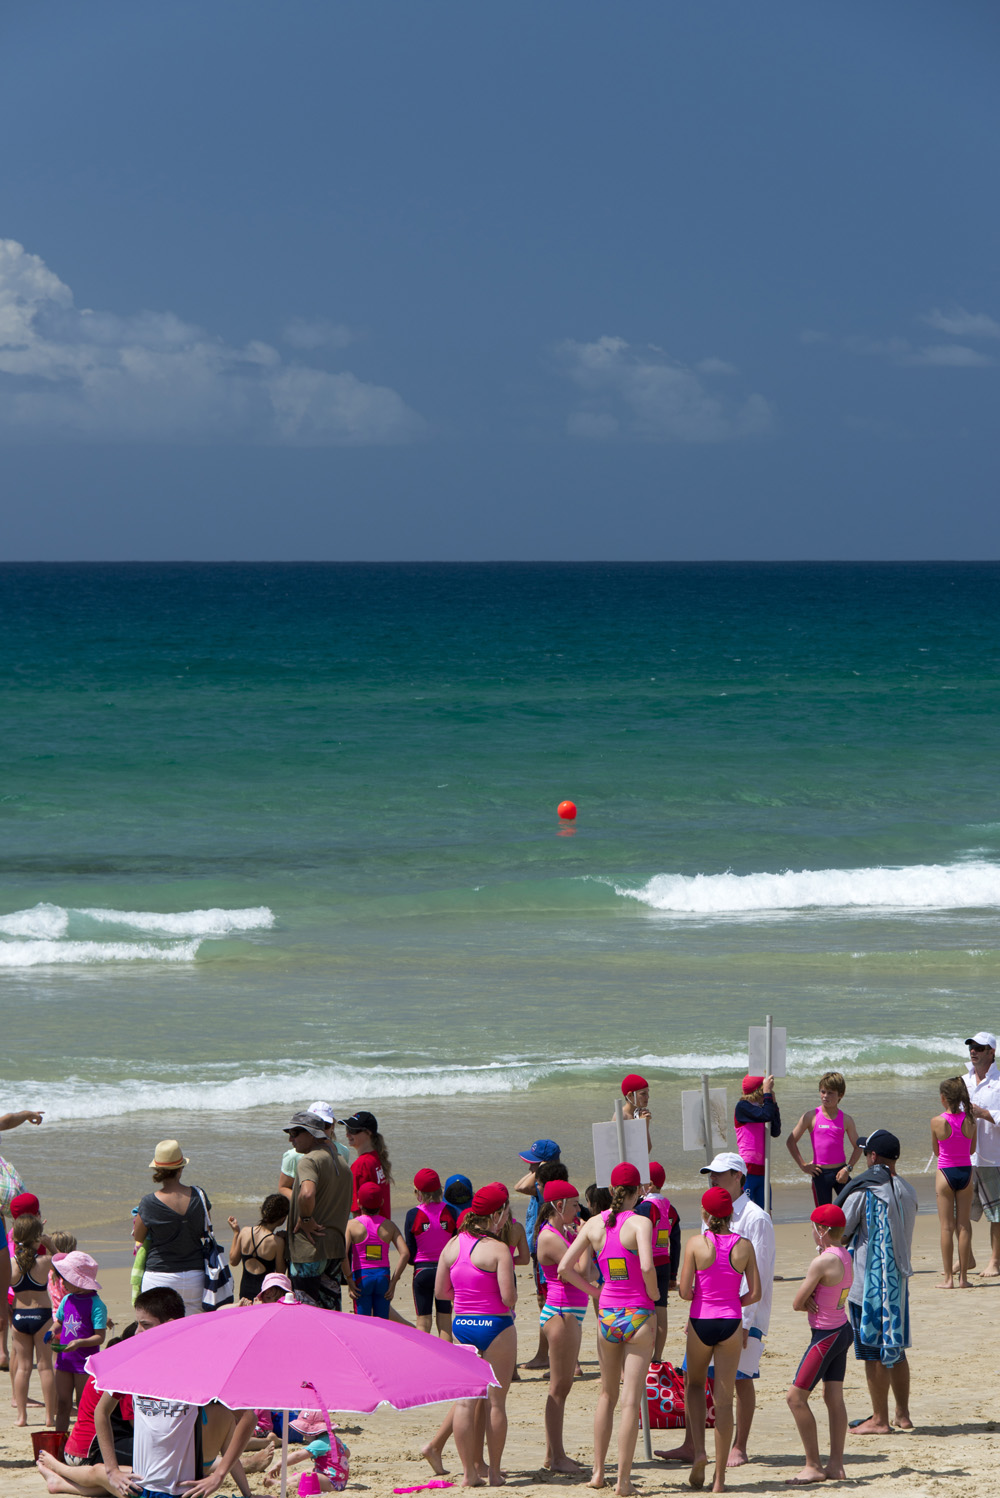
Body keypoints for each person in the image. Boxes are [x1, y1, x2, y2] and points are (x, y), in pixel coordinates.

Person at [656, 1152, 775, 1472]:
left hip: (744, 1316)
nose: (713, 1177)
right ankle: (692, 1444)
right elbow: (702, 1271)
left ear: (738, 1176)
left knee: (740, 1380)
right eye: (711, 1173)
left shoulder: (755, 1217)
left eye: (720, 1173)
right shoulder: (711, 1211)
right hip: (708, 1314)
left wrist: (747, 1323)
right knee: (696, 1378)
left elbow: (759, 1273)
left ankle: (740, 1445)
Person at [95, 1284, 256, 1498]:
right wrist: (112, 1470)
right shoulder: (134, 1364)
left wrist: (219, 1475)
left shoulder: (196, 1369)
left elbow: (248, 1417)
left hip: (181, 1491)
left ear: (170, 1325)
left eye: (145, 1324)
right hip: (139, 1489)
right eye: (137, 1324)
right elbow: (101, 1412)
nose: (137, 1331)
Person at [557, 1161, 656, 1497]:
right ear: (639, 1191)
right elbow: (645, 1264)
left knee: (606, 1395)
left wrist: (596, 1293)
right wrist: (654, 1294)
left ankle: (599, 1473)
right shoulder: (641, 1222)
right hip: (639, 1314)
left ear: (612, 1190)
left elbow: (564, 1268)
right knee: (630, 1401)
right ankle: (623, 1482)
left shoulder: (595, 1225)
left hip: (608, 1315)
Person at [835, 1129, 918, 1435]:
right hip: (897, 1284)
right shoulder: (908, 1190)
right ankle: (902, 1414)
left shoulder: (865, 1191)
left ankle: (880, 1419)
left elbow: (840, 1233)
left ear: (872, 1157)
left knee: (872, 1351)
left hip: (866, 1286)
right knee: (895, 1349)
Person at [434, 1182, 517, 1488]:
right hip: (495, 1326)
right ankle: (494, 1472)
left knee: (467, 1403)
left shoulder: (452, 1245)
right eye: (506, 1211)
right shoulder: (498, 1249)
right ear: (497, 1213)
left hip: (463, 1325)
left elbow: (442, 1292)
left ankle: (469, 1472)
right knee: (496, 1403)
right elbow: (508, 1298)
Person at [678, 1187, 760, 1494]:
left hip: (702, 1319)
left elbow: (685, 1291)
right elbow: (756, 1293)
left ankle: (699, 1450)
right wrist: (733, 1302)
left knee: (695, 1385)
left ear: (705, 1214)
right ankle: (720, 1480)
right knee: (725, 1400)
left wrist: (704, 1296)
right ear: (730, 1215)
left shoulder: (696, 1244)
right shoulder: (744, 1246)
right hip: (731, 1322)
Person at [786, 1205, 854, 1486]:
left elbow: (796, 1302)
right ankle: (836, 1464)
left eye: (814, 1227)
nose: (812, 1232)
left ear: (823, 1231)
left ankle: (813, 1465)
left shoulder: (823, 1261)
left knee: (795, 1398)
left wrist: (806, 1304)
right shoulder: (844, 1254)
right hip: (842, 1329)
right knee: (833, 1398)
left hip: (826, 1336)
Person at [534, 1180, 592, 1474]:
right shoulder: (550, 1237)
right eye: (573, 1204)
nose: (577, 1208)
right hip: (561, 1312)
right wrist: (587, 1240)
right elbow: (581, 1270)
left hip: (569, 1312)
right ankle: (556, 1458)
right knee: (560, 1387)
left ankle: (552, 1454)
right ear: (558, 1206)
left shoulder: (562, 1232)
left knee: (562, 1386)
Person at [134, 1140, 212, 1316]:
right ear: (181, 1168)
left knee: (160, 1334)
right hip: (195, 1275)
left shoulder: (148, 1202)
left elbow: (138, 1236)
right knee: (194, 1332)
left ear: (157, 1170)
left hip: (160, 1275)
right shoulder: (199, 1195)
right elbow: (204, 1229)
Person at [284, 1112, 352, 1311]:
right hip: (334, 1248)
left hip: (309, 1249)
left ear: (312, 1134)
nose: (290, 1138)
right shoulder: (341, 1163)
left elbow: (306, 1194)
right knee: (330, 1313)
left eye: (295, 1133)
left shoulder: (310, 1161)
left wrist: (305, 1218)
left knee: (305, 1314)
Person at [514, 1138, 560, 1372]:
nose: (530, 1168)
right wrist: (539, 1168)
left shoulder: (547, 1186)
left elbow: (519, 1187)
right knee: (546, 1302)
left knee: (549, 1303)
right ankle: (545, 1355)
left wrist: (541, 1169)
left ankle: (549, 1356)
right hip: (539, 1251)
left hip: (544, 1252)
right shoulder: (543, 1184)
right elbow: (520, 1184)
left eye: (533, 1164)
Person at [51, 1252, 108, 1433]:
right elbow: (59, 1322)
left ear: (78, 1281)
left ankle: (81, 1440)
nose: (62, 1282)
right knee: (62, 1403)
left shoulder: (96, 1305)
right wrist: (51, 1331)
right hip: (64, 1360)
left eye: (66, 1279)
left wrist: (79, 1343)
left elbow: (100, 1337)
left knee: (83, 1405)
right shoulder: (67, 1300)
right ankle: (59, 1440)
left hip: (84, 1363)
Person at [785, 1073, 862, 1207]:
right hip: (820, 1174)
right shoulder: (811, 1116)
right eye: (823, 1092)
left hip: (841, 1173)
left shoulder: (846, 1119)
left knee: (853, 1209)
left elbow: (858, 1146)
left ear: (840, 1095)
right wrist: (803, 1165)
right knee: (823, 1218)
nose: (825, 1096)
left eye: (830, 1093)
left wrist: (848, 1168)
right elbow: (791, 1141)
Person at [10, 1209, 55, 1425]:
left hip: (19, 1316)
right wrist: (52, 1245)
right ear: (38, 1237)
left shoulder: (10, 1263)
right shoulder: (45, 1261)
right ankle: (49, 1418)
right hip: (42, 1316)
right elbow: (65, 1264)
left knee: (23, 1368)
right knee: (45, 1366)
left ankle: (21, 1417)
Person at [931, 1076, 976, 1289]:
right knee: (964, 1226)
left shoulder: (937, 1121)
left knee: (946, 1227)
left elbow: (936, 1151)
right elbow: (972, 1150)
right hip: (966, 1173)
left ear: (943, 1098)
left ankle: (948, 1279)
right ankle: (963, 1278)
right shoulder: (970, 1120)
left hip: (945, 1173)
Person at [343, 1182, 409, 1317]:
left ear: (358, 1202)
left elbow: (342, 1255)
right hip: (383, 1278)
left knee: (363, 1324)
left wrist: (349, 1279)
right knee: (382, 1324)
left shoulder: (352, 1225)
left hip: (362, 1278)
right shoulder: (389, 1226)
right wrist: (393, 1282)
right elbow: (405, 1253)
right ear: (382, 1202)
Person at [633, 1161, 678, 1360]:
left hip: (647, 1263)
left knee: (645, 1309)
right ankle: (657, 1357)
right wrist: (673, 1275)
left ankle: (643, 1354)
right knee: (661, 1308)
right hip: (665, 1262)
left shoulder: (643, 1208)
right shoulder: (671, 1208)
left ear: (649, 1185)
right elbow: (675, 1243)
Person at [964, 1030, 1000, 1277]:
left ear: (991, 1052)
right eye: (971, 1046)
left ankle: (995, 1261)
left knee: (996, 1214)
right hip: (965, 1156)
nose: (973, 1050)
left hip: (993, 1155)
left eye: (979, 1047)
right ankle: (967, 1258)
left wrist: (984, 1113)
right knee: (961, 1211)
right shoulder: (963, 1080)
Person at [404, 1168, 456, 1338]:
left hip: (422, 1271)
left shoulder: (413, 1214)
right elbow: (456, 1245)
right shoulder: (451, 1212)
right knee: (445, 1323)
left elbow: (410, 1251)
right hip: (445, 1272)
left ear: (417, 1191)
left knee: (423, 1323)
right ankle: (447, 1361)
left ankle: (422, 1361)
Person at [263, 1410, 349, 1492]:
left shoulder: (320, 1443)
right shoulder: (335, 1439)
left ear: (314, 1432)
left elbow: (298, 1456)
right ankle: (288, 1481)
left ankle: (281, 1484)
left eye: (305, 1433)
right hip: (340, 1480)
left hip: (333, 1483)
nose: (304, 1437)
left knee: (305, 1477)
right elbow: (347, 1453)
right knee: (309, 1471)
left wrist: (279, 1464)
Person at [278, 1102, 349, 1200]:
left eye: (325, 1125)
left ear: (333, 1126)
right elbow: (283, 1187)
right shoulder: (293, 1155)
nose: (320, 1130)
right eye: (315, 1125)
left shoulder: (343, 1151)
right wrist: (304, 1204)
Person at [227, 1194, 288, 1300]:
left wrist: (236, 1233)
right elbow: (280, 1273)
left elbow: (233, 1261)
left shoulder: (245, 1232)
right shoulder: (278, 1242)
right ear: (282, 1219)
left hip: (244, 1292)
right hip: (265, 1294)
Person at [733, 1076, 781, 1210]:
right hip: (748, 1170)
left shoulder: (764, 1109)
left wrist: (774, 1103)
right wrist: (767, 1095)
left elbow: (776, 1131)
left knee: (765, 1212)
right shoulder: (742, 1107)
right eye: (765, 1089)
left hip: (763, 1170)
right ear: (760, 1090)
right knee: (746, 1211)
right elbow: (765, 1116)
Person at [619, 1074, 652, 1150]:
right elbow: (628, 1150)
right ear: (630, 1095)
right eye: (643, 1094)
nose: (648, 1097)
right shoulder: (621, 1116)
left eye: (647, 1093)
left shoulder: (639, 1113)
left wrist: (644, 1124)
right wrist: (640, 1124)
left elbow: (647, 1149)